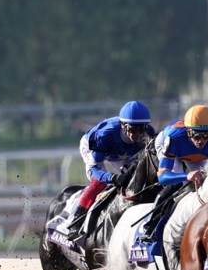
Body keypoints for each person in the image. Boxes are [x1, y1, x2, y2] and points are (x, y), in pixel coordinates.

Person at [63, 100, 154, 237]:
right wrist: (112, 178)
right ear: (123, 126)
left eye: (140, 129)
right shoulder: (106, 135)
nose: (136, 135)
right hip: (96, 149)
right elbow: (94, 170)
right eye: (131, 129)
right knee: (99, 182)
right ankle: (75, 222)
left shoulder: (148, 134)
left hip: (122, 153)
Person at [141, 104, 208, 237]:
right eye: (197, 135)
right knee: (177, 185)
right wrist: (186, 176)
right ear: (188, 131)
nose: (201, 141)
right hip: (173, 148)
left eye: (206, 135)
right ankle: (150, 227)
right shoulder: (174, 138)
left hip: (196, 155)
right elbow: (163, 176)